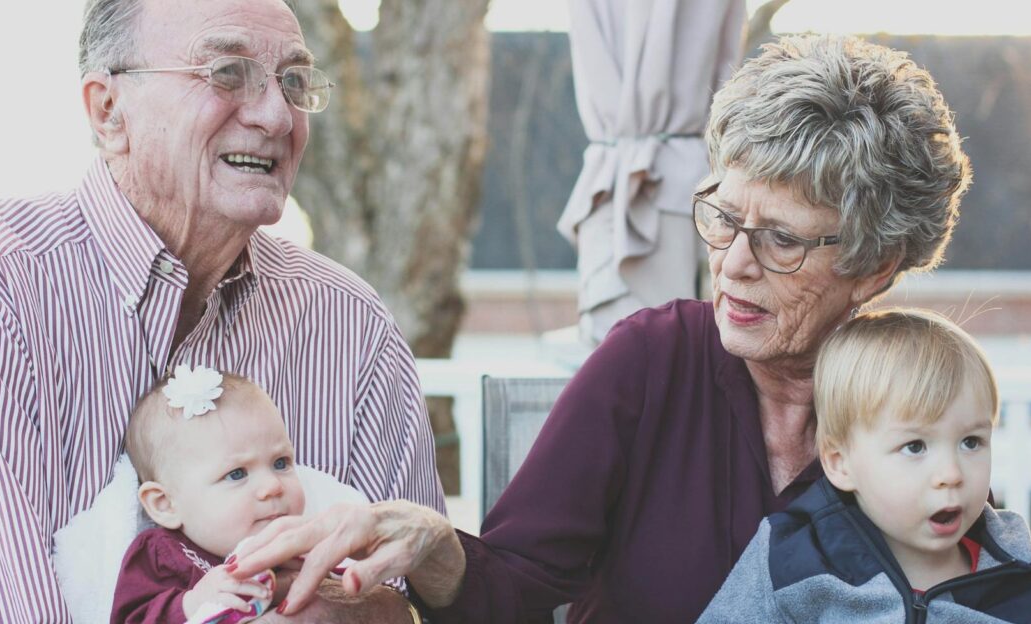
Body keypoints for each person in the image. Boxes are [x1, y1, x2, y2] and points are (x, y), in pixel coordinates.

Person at [225, 34, 977, 622]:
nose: (733, 265)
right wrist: (437, 548)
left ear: (875, 267)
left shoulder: (921, 399)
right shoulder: (651, 361)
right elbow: (514, 591)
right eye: (722, 216)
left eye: (781, 239)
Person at [0, 0, 442, 620]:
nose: (278, 115)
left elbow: (413, 599)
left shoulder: (348, 323)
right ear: (108, 111)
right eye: (228, 72)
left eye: (295, 82)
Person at [698, 309, 1031, 623]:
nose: (951, 474)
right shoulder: (793, 562)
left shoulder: (1023, 579)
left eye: (971, 442)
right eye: (915, 446)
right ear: (840, 464)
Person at [111, 366, 302, 623]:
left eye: (281, 463)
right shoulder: (163, 554)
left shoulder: (302, 545)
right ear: (165, 504)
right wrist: (192, 604)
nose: (273, 486)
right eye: (236, 474)